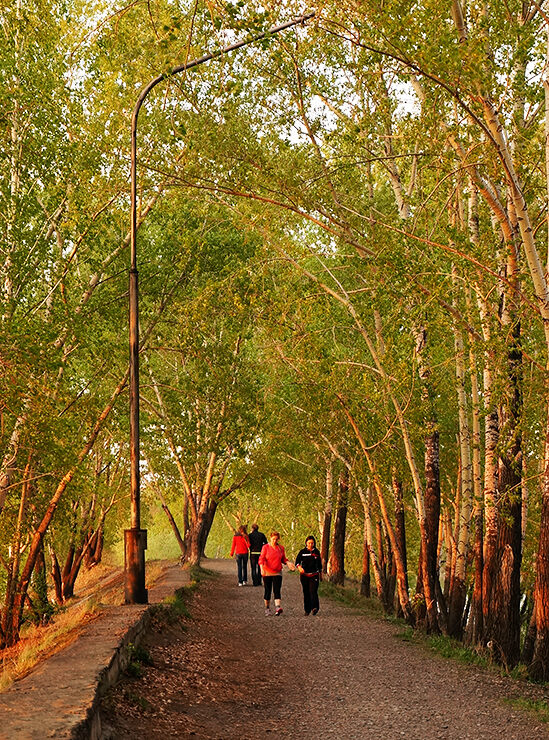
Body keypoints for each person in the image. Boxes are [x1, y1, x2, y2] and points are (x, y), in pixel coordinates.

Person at [259, 531, 294, 616]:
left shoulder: (281, 548)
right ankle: (267, 608)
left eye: (276, 539)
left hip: (277, 572)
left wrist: (288, 563)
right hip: (267, 572)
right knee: (268, 590)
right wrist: (261, 568)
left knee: (277, 590)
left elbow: (283, 559)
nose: (274, 541)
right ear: (270, 538)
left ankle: (278, 607)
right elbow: (261, 559)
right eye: (273, 539)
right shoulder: (265, 547)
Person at [295, 535, 322, 615]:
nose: (310, 545)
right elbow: (297, 562)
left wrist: (321, 574)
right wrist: (299, 567)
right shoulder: (302, 552)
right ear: (306, 543)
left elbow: (319, 564)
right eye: (309, 543)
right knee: (306, 592)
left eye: (312, 543)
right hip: (305, 575)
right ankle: (307, 610)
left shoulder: (316, 552)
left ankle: (315, 607)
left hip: (314, 574)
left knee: (313, 591)